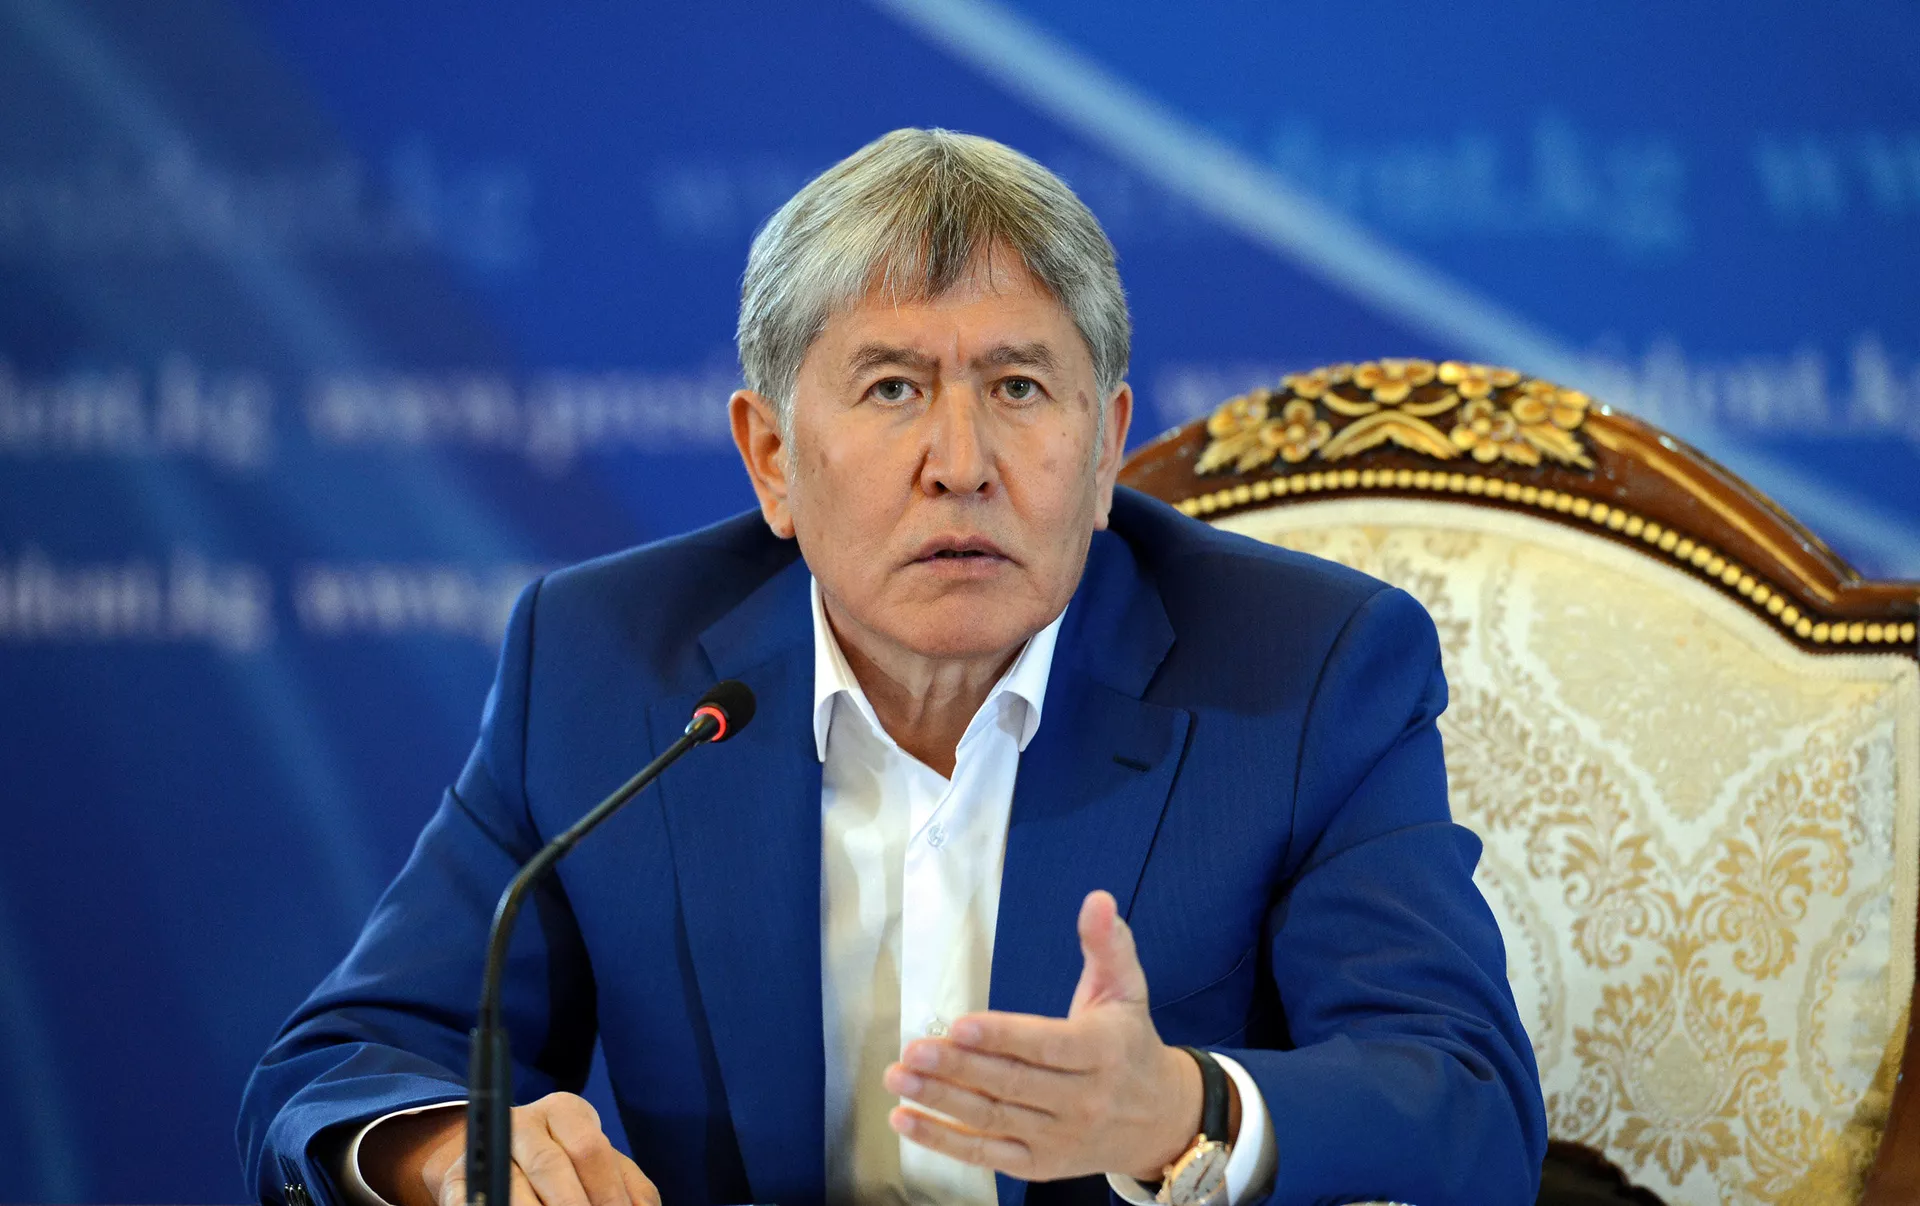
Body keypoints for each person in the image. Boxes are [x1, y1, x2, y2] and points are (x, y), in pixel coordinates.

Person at [238, 128, 1546, 1206]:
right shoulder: (604, 666)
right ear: (771, 459)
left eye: (1019, 387)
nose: (961, 463)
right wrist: (444, 1156)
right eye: (892, 389)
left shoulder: (1308, 672)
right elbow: (342, 1064)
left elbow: (1469, 1101)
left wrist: (1181, 1109)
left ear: (1105, 450)